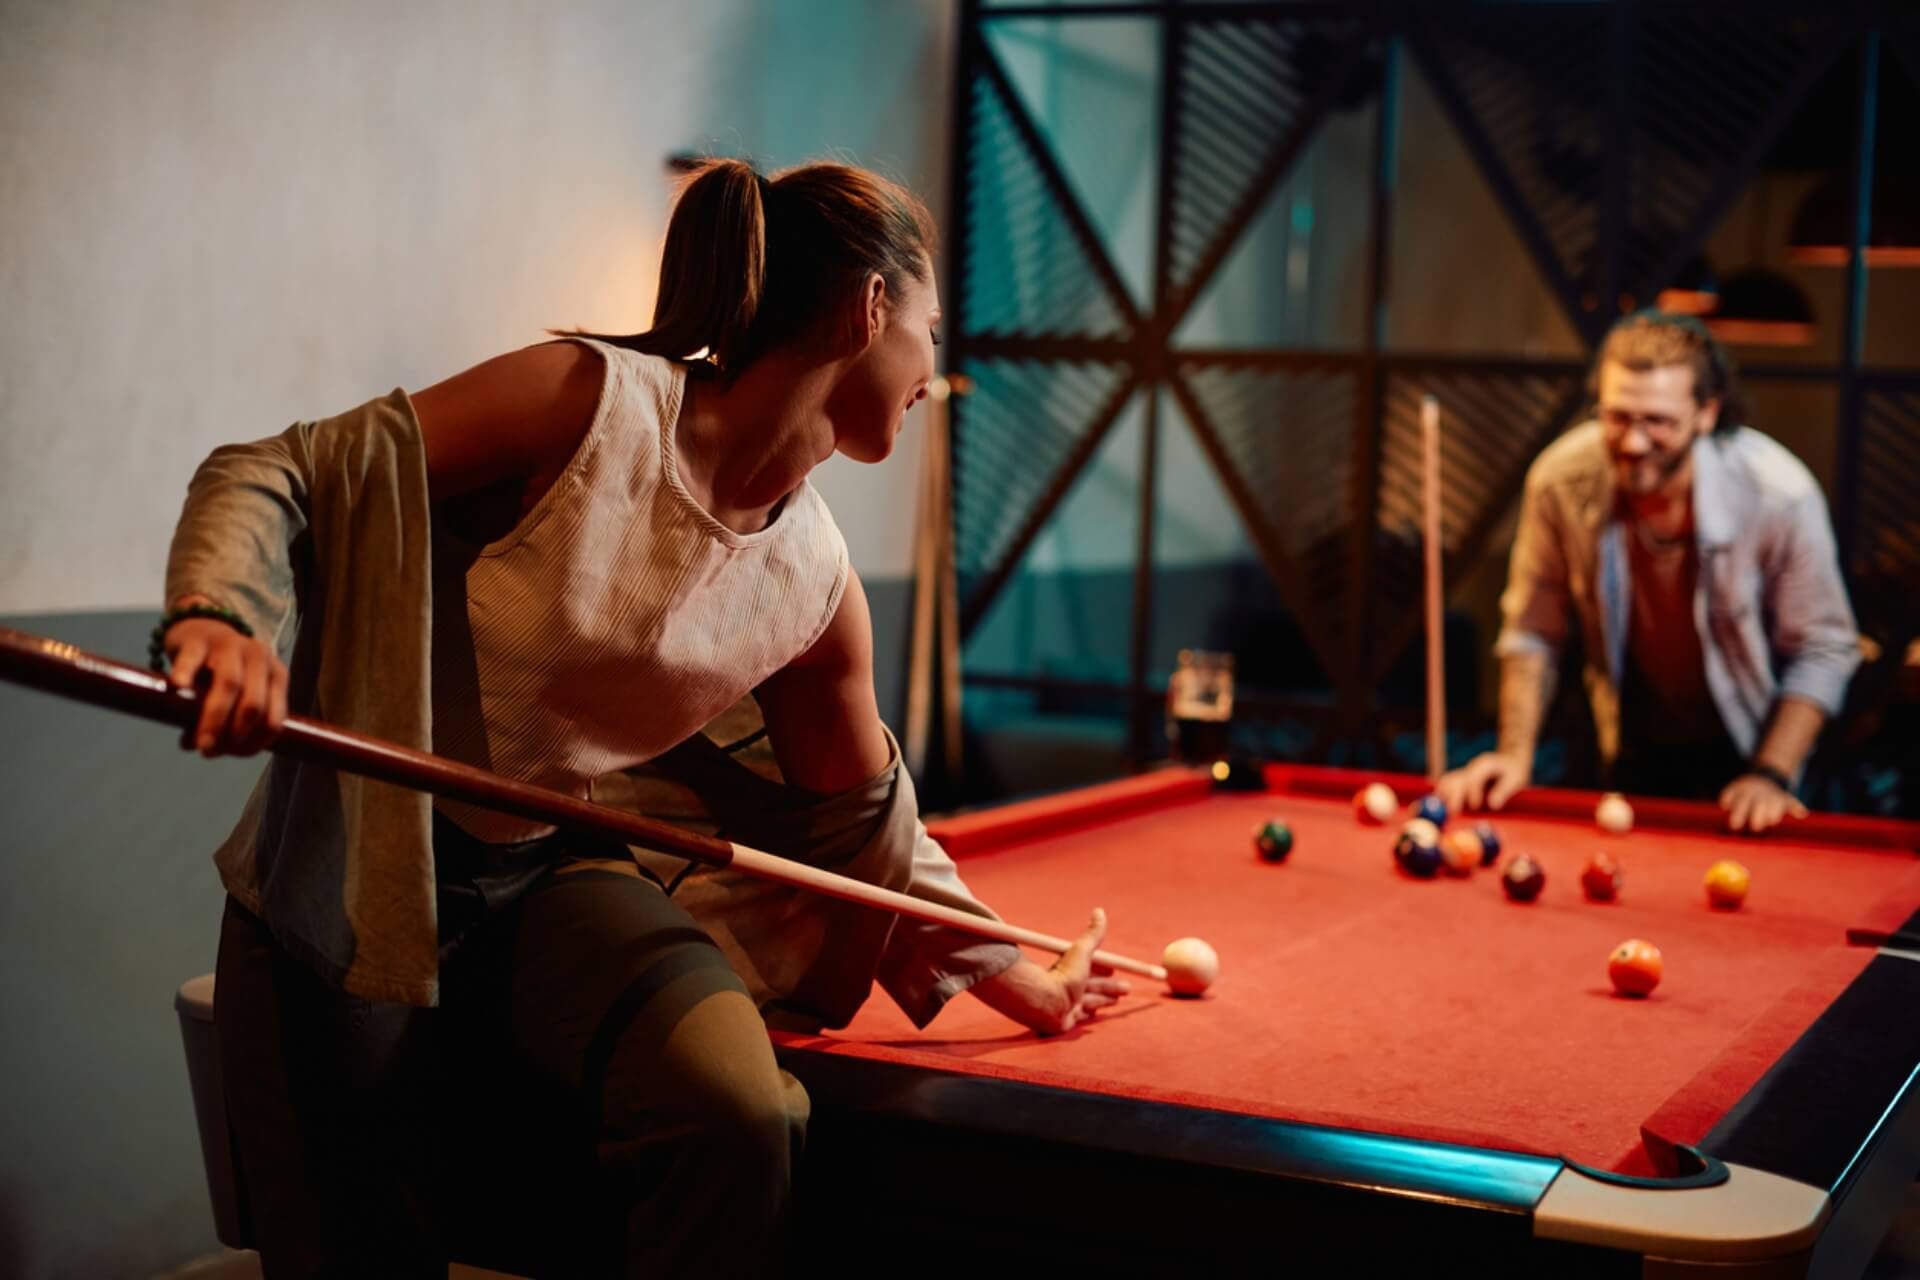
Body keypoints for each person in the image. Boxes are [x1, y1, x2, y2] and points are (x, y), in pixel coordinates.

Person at [157, 159, 1125, 1277]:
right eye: (931, 331)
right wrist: (220, 614)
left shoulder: (816, 584)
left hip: (549, 888)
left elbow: (868, 825)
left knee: (741, 1114)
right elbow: (280, 469)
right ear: (869, 309)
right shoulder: (588, 404)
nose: (932, 372)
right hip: (347, 881)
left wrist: (1014, 969)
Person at [1435, 311, 1860, 834]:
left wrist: (1772, 773)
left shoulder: (1779, 495)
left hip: (1754, 750)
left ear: (1706, 412)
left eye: (1657, 421)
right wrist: (1514, 756)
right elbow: (1532, 630)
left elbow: (1823, 646)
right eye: (1617, 418)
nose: (1634, 442)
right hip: (1631, 742)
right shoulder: (1560, 481)